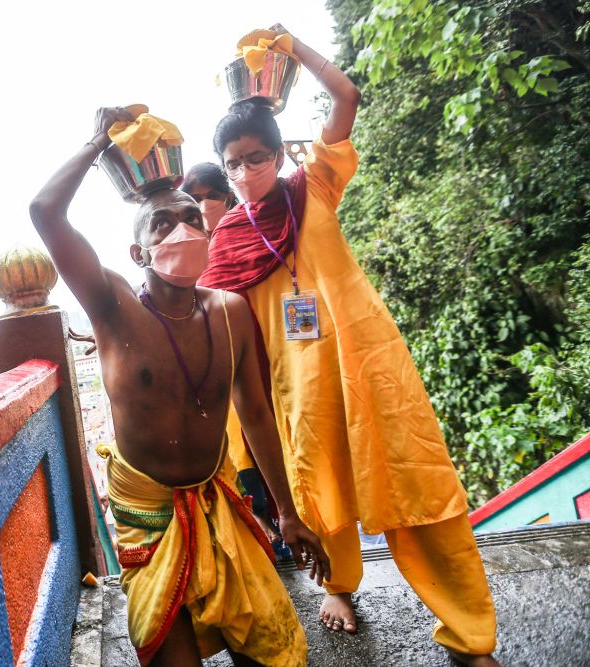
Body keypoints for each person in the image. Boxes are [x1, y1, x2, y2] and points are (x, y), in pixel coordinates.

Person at [199, 25, 500, 667]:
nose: (245, 171)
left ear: (280, 155)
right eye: (233, 163)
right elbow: (210, 320)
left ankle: (469, 633)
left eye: (256, 157)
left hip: (366, 365)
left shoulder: (313, 188)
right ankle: (337, 586)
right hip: (297, 387)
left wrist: (295, 50)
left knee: (416, 490)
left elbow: (346, 98)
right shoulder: (225, 241)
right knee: (319, 492)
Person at [30, 106, 331, 667]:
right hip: (150, 516)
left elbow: (258, 415)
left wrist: (287, 512)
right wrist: (99, 141)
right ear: (137, 253)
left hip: (219, 501)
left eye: (193, 218)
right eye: (162, 224)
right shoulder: (113, 307)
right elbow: (45, 212)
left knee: (275, 649)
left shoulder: (231, 311)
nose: (182, 230)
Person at [183, 166, 282, 549]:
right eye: (194, 197)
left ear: (228, 197)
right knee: (235, 438)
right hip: (218, 358)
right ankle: (257, 515)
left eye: (211, 194)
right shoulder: (185, 248)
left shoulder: (252, 230)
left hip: (268, 344)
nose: (204, 204)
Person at [181, 162, 238, 236]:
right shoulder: (185, 239)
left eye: (212, 196)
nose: (204, 206)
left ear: (229, 199)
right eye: (196, 199)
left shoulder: (246, 231)